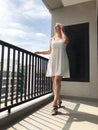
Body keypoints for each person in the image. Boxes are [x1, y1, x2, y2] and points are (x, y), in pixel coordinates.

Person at [35, 23, 70, 115]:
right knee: (54, 82)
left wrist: (62, 30)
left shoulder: (64, 38)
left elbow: (66, 41)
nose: (56, 28)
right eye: (55, 27)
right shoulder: (52, 39)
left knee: (57, 80)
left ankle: (54, 105)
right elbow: (50, 51)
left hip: (61, 60)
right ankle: (59, 99)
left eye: (57, 27)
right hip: (53, 60)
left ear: (61, 28)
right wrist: (40, 52)